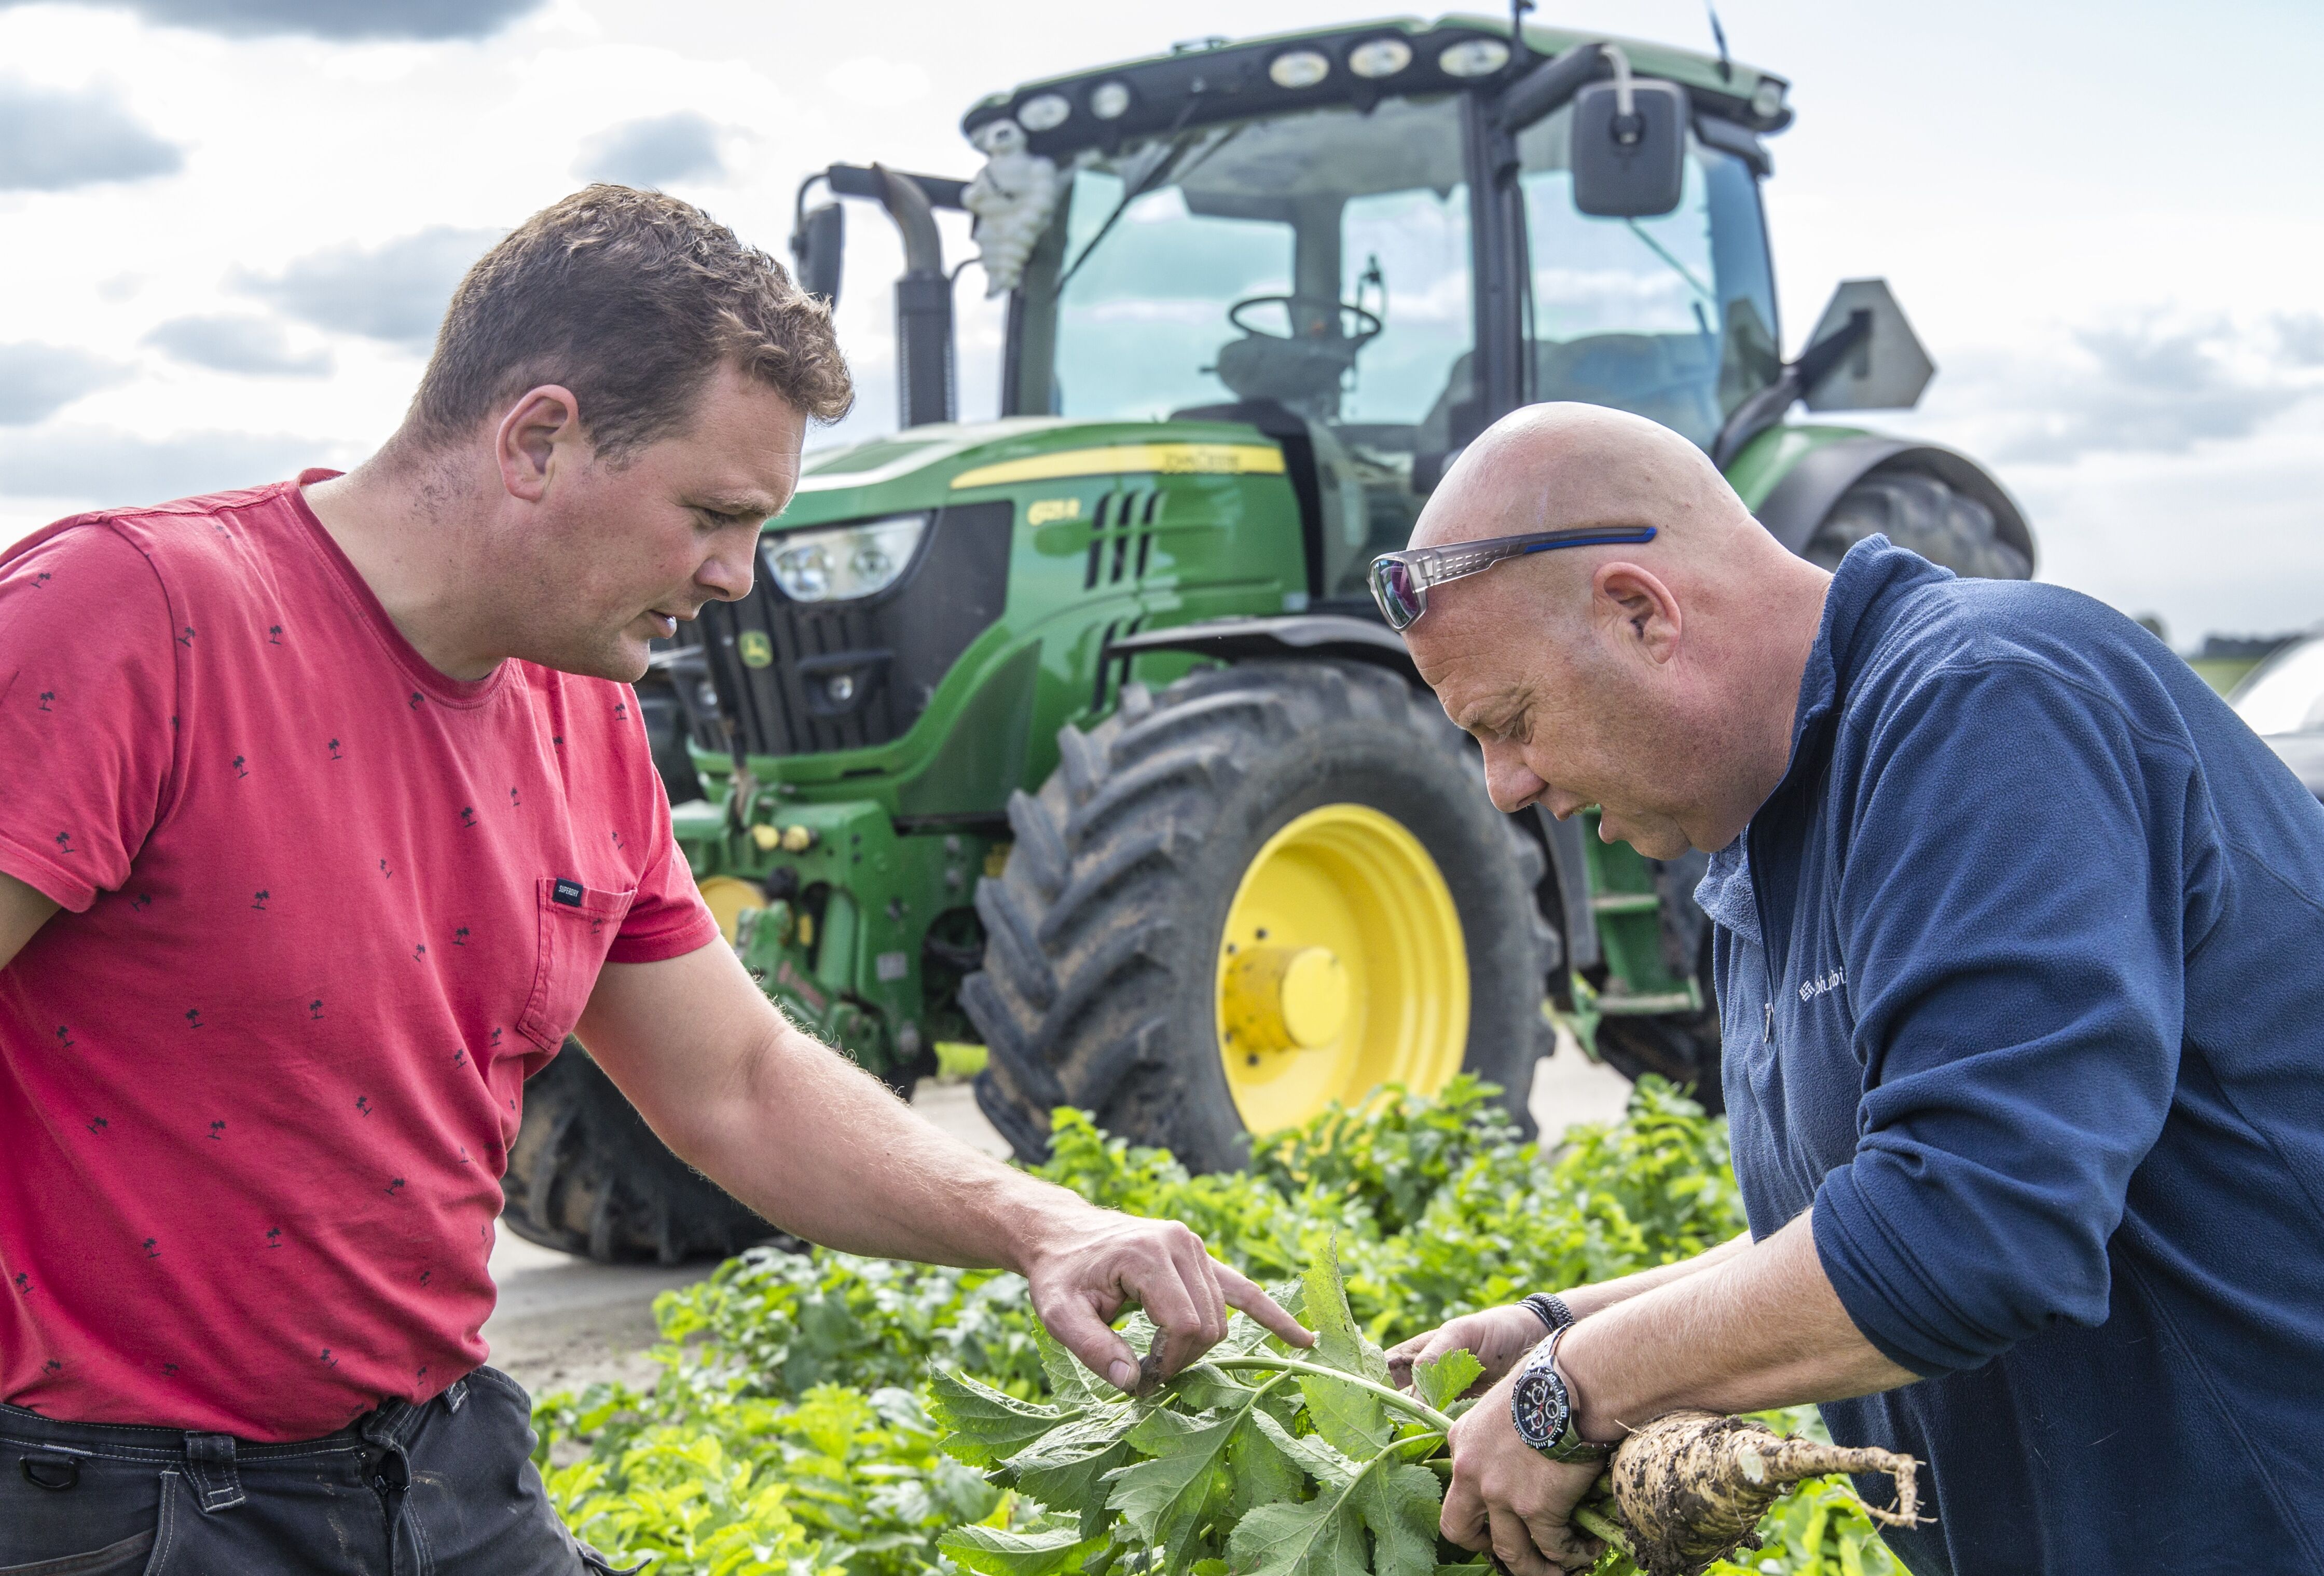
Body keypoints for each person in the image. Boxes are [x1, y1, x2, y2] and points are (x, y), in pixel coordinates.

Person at [0, 186, 1306, 1574]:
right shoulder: (133, 616)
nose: (739, 576)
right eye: (712, 514)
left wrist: (1041, 1219)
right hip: (125, 1503)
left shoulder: (584, 712)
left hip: (439, 1467)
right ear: (538, 440)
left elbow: (736, 1081)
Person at [1377, 403, 2324, 1575]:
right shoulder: (1758, 847)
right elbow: (1855, 1212)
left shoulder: (1988, 706)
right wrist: (1557, 1327)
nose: (1504, 787)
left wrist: (1568, 1392)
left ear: (1641, 612)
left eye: (1511, 722)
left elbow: (1972, 1227)